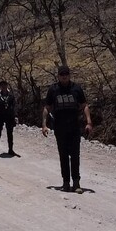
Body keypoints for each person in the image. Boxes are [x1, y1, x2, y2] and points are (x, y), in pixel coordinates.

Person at [42, 66, 92, 194]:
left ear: (69, 75)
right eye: (61, 74)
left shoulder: (76, 88)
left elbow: (84, 105)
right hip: (60, 127)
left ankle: (76, 182)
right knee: (63, 155)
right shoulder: (53, 90)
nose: (64, 76)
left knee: (75, 155)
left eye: (66, 74)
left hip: (74, 126)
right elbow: (47, 107)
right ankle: (65, 182)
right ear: (58, 76)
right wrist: (44, 124)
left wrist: (89, 122)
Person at [0, 80, 18, 158]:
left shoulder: (11, 96)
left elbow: (14, 106)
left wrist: (15, 116)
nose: (4, 87)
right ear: (0, 87)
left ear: (7, 86)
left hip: (9, 116)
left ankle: (11, 149)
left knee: (10, 133)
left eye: (5, 85)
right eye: (2, 85)